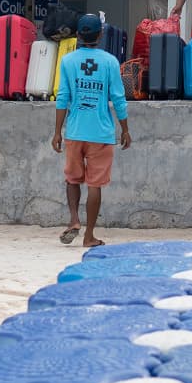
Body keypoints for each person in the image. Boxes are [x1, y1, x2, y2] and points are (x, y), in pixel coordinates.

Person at [52, 14, 131, 249]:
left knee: (72, 179)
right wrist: (125, 130)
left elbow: (62, 97)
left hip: (75, 131)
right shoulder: (110, 62)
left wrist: (57, 132)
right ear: (101, 34)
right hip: (101, 133)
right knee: (94, 185)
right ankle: (89, 236)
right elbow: (118, 99)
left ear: (78, 35)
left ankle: (74, 219)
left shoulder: (67, 61)